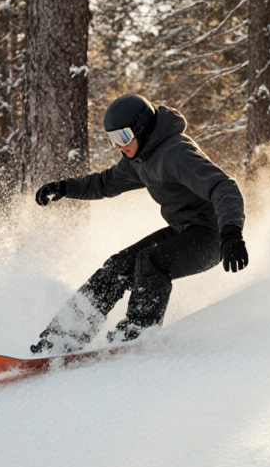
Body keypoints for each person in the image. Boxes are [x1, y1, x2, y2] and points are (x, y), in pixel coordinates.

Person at [29, 94, 248, 354]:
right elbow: (104, 183)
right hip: (183, 231)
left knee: (151, 262)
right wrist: (64, 188)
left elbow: (223, 186)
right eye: (113, 140)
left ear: (141, 128)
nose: (119, 146)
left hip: (213, 237)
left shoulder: (176, 152)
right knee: (118, 266)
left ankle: (138, 332)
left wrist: (232, 234)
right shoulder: (139, 160)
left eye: (122, 137)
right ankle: (63, 335)